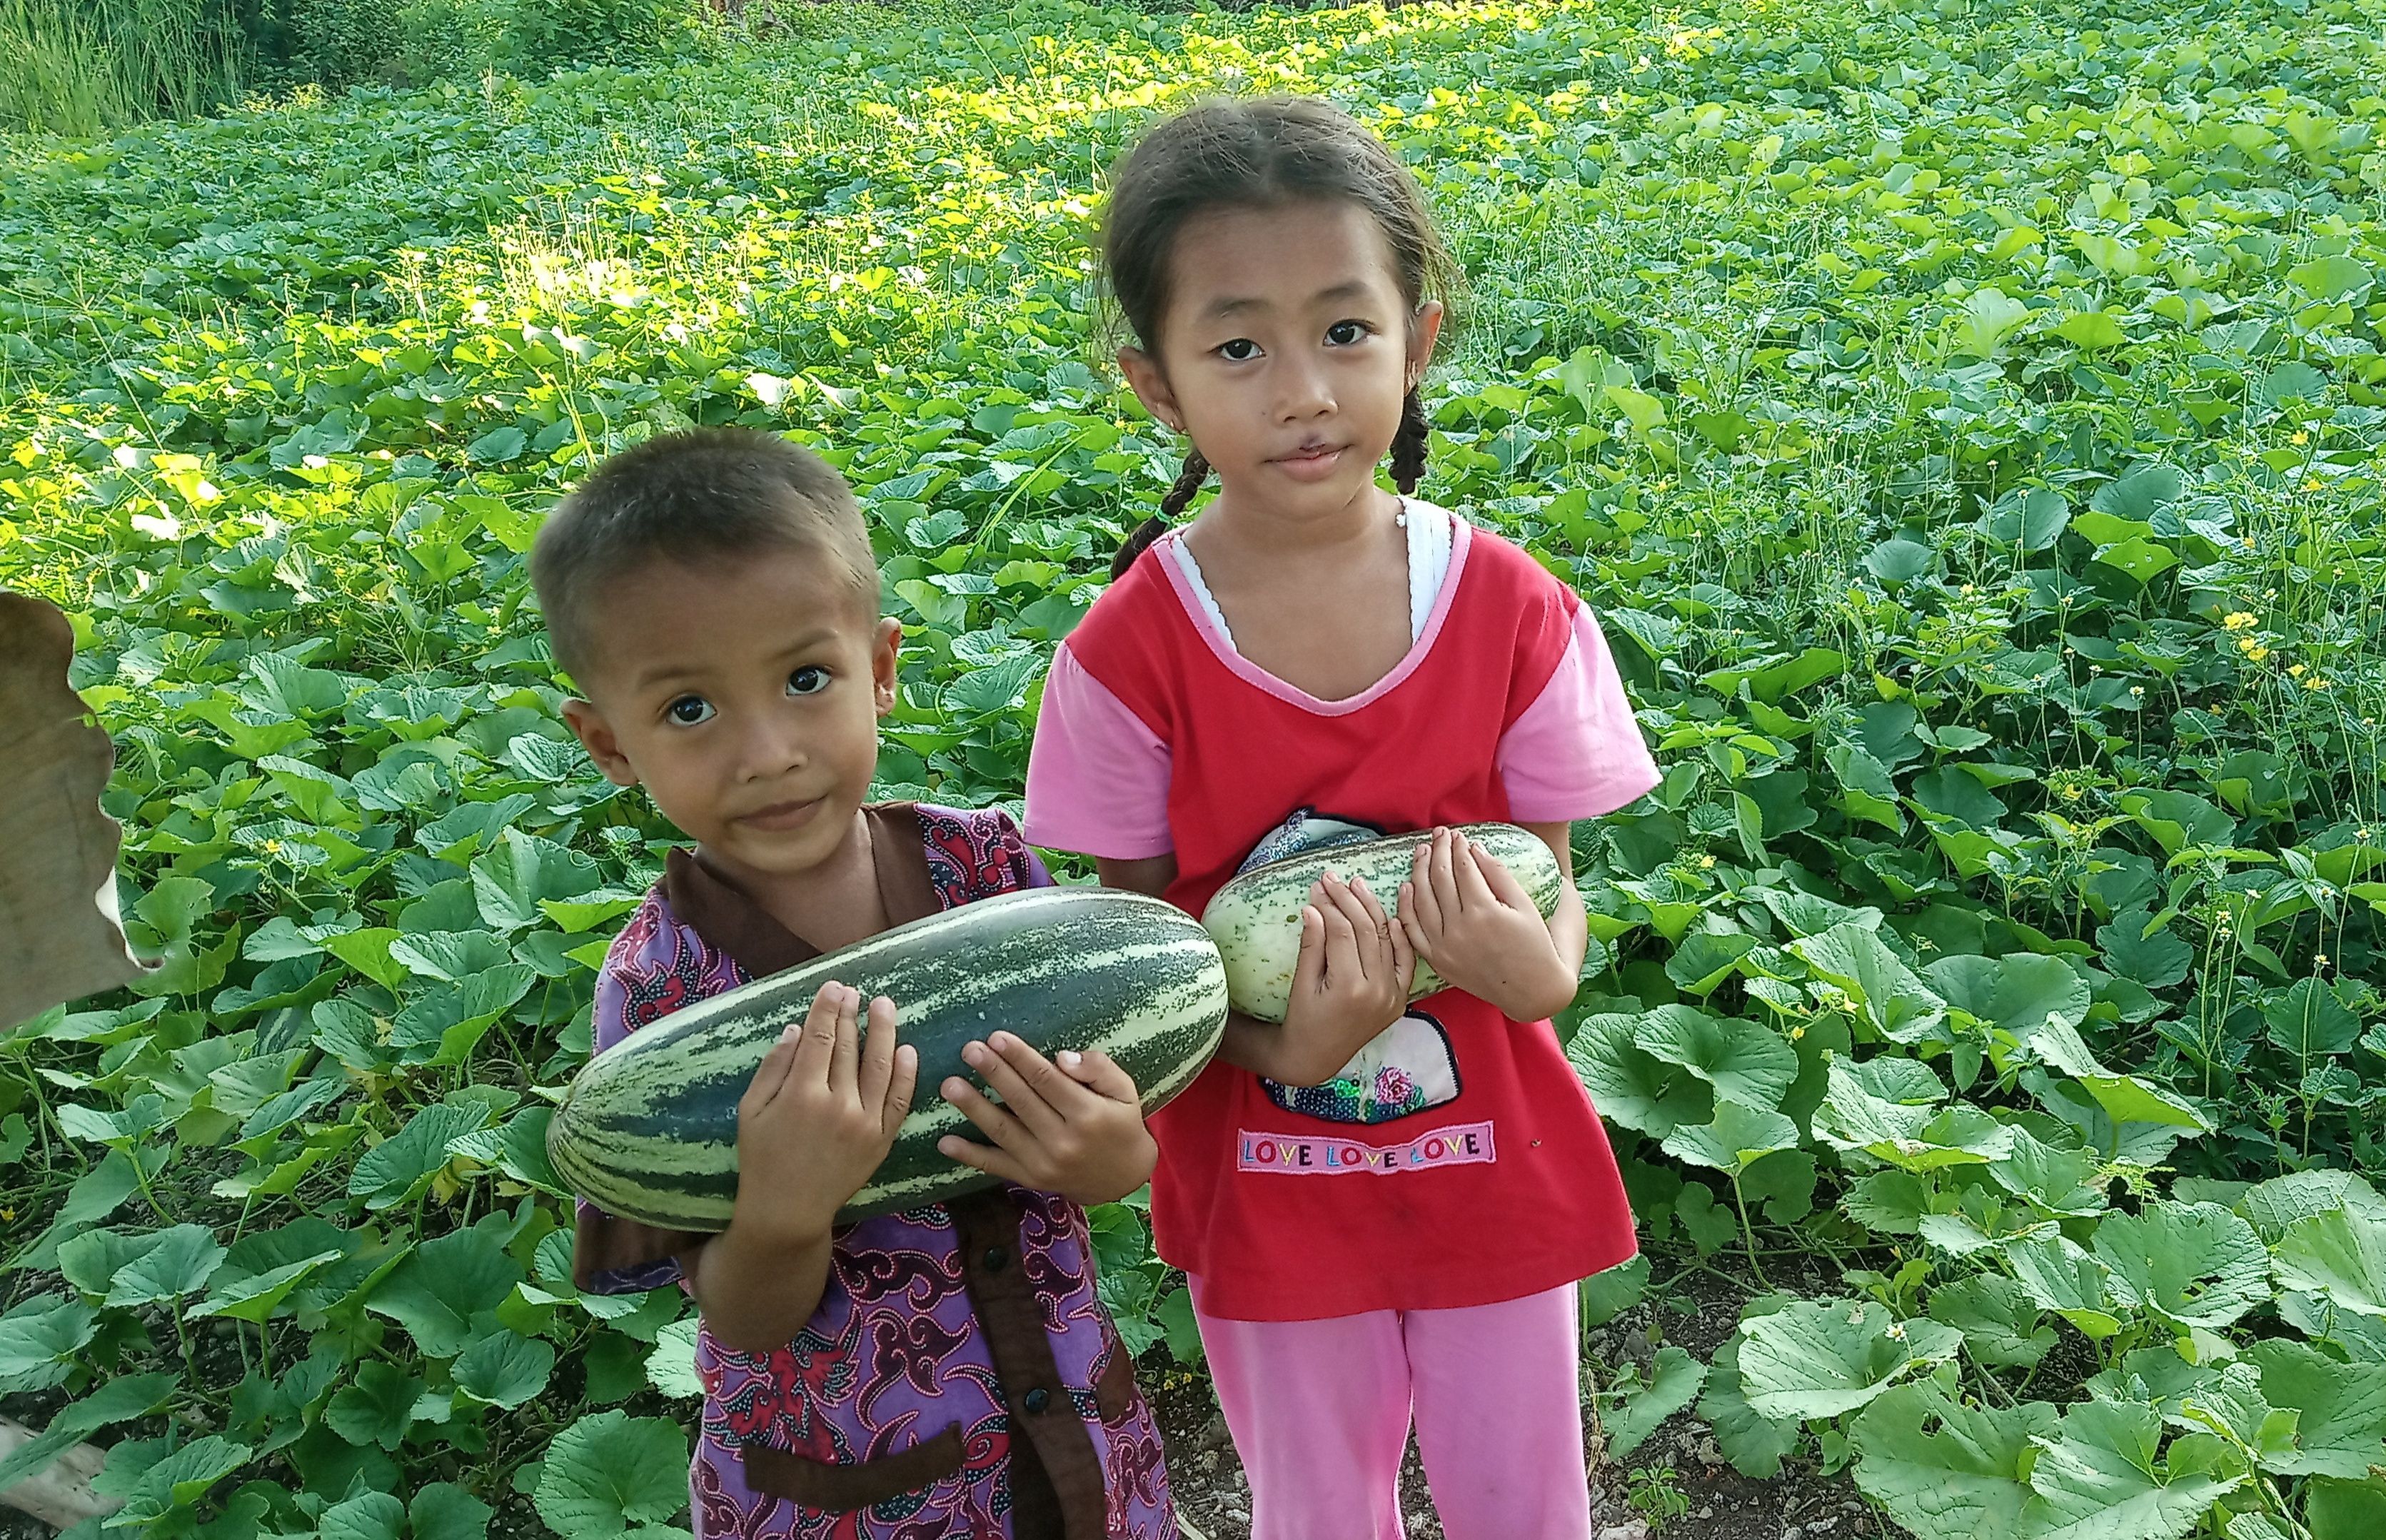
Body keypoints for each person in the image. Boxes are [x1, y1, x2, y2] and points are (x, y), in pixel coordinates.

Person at [1022, 96, 1661, 1539]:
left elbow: (1552, 891)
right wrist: (1278, 1044)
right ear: (1158, 383)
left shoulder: (1513, 609)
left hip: (1494, 1169)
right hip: (1265, 1191)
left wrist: (1542, 968)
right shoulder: (1125, 658)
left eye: (1345, 331)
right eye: (1239, 346)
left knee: (1526, 1505)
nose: (1302, 386)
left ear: (1417, 340)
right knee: (1316, 1509)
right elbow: (1139, 964)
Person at [533, 426, 1177, 1539]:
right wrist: (787, 1203)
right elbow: (741, 1315)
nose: (768, 749)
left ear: (879, 670)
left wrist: (1114, 1153)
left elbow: (1117, 1145)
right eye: (691, 708)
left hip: (1073, 1446)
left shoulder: (988, 873)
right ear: (607, 744)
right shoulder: (662, 987)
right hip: (857, 1498)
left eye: (805, 677)